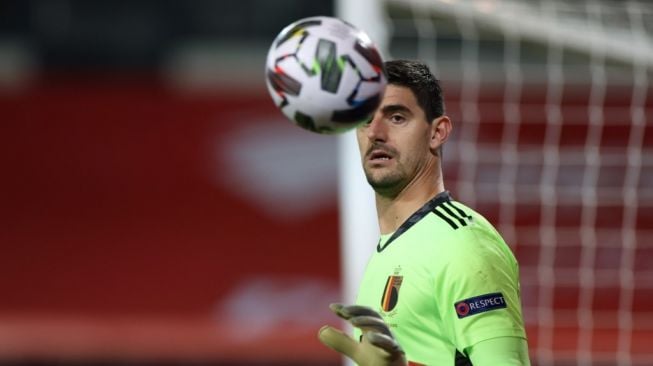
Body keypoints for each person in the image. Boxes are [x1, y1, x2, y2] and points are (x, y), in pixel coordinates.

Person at [318, 59, 530, 365]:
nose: (375, 132)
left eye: (397, 117)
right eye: (365, 119)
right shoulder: (389, 250)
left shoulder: (463, 245)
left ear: (437, 132)